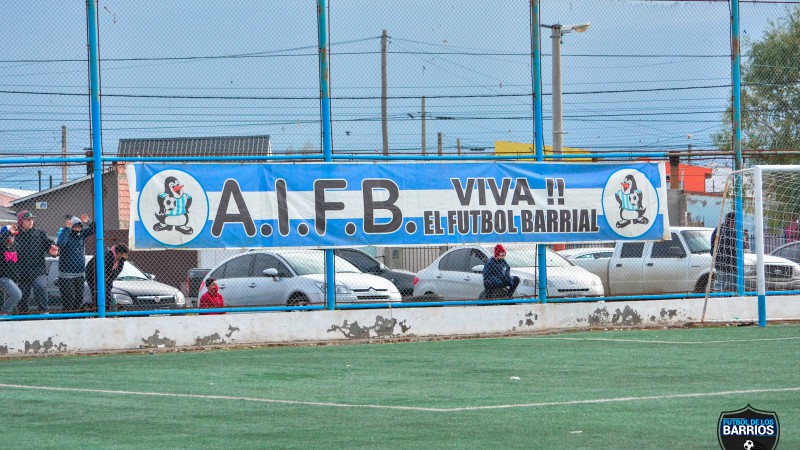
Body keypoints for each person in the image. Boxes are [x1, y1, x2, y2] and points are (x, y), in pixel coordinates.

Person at [15, 210, 58, 313]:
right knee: (22, 296)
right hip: (22, 273)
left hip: (38, 271)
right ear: (21, 221)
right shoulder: (15, 235)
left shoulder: (39, 233)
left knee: (40, 286)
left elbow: (49, 244)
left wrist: (53, 251)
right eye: (27, 220)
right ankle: (23, 316)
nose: (31, 222)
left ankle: (44, 313)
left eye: (32, 219)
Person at [56, 214, 95, 311]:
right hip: (66, 274)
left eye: (79, 227)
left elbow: (96, 229)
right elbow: (60, 244)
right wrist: (67, 229)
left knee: (78, 300)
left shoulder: (81, 235)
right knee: (69, 301)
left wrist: (88, 222)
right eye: (75, 227)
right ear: (71, 227)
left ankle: (76, 318)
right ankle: (67, 318)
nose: (78, 229)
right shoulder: (66, 234)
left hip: (79, 274)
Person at [85, 243, 129, 311]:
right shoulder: (107, 256)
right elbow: (95, 270)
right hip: (93, 277)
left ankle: (106, 310)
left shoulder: (120, 261)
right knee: (97, 294)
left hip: (107, 279)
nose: (126, 257)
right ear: (119, 253)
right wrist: (101, 282)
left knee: (107, 293)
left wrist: (108, 280)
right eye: (125, 254)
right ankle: (97, 310)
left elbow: (115, 273)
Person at [711, 212, 737, 292]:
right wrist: (716, 256)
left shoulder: (737, 231)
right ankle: (718, 299)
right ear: (728, 221)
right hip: (722, 262)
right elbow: (713, 245)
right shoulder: (720, 230)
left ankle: (731, 298)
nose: (734, 224)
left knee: (732, 286)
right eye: (733, 222)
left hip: (733, 264)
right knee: (721, 284)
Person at [0, 225, 22, 315]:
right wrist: (8, 232)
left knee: (11, 300)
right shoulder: (1, 246)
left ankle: (6, 319)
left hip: (12, 279)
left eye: (13, 236)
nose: (12, 237)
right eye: (10, 235)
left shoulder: (15, 246)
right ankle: (3, 313)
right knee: (17, 295)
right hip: (3, 277)